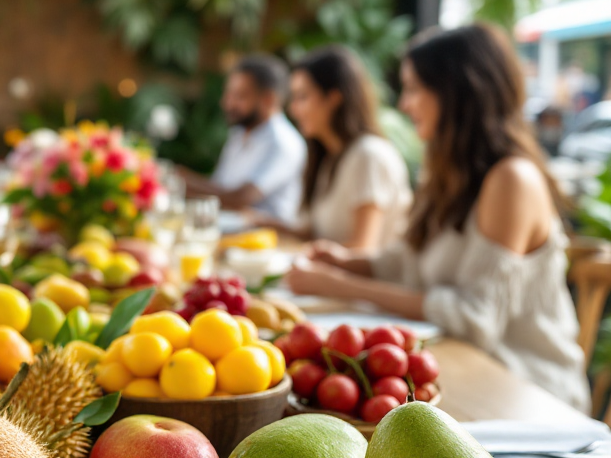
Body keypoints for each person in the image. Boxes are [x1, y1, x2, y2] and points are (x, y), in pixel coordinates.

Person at [286, 24, 590, 411]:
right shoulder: (449, 172)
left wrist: (342, 285)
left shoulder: (511, 179)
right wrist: (348, 263)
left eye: (413, 89)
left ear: (457, 92)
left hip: (526, 391)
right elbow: (409, 261)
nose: (404, 104)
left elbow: (474, 318)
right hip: (461, 369)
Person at [287, 45, 411, 251]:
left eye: (302, 97)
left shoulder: (368, 155)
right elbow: (318, 236)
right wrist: (265, 224)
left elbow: (362, 248)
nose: (293, 108)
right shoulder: (331, 156)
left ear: (333, 98)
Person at [183, 54, 307, 221]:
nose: (227, 103)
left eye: (239, 96)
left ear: (268, 99)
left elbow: (239, 200)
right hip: (224, 229)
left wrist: (181, 181)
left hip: (267, 241)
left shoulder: (284, 143)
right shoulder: (239, 133)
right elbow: (219, 188)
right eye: (229, 95)